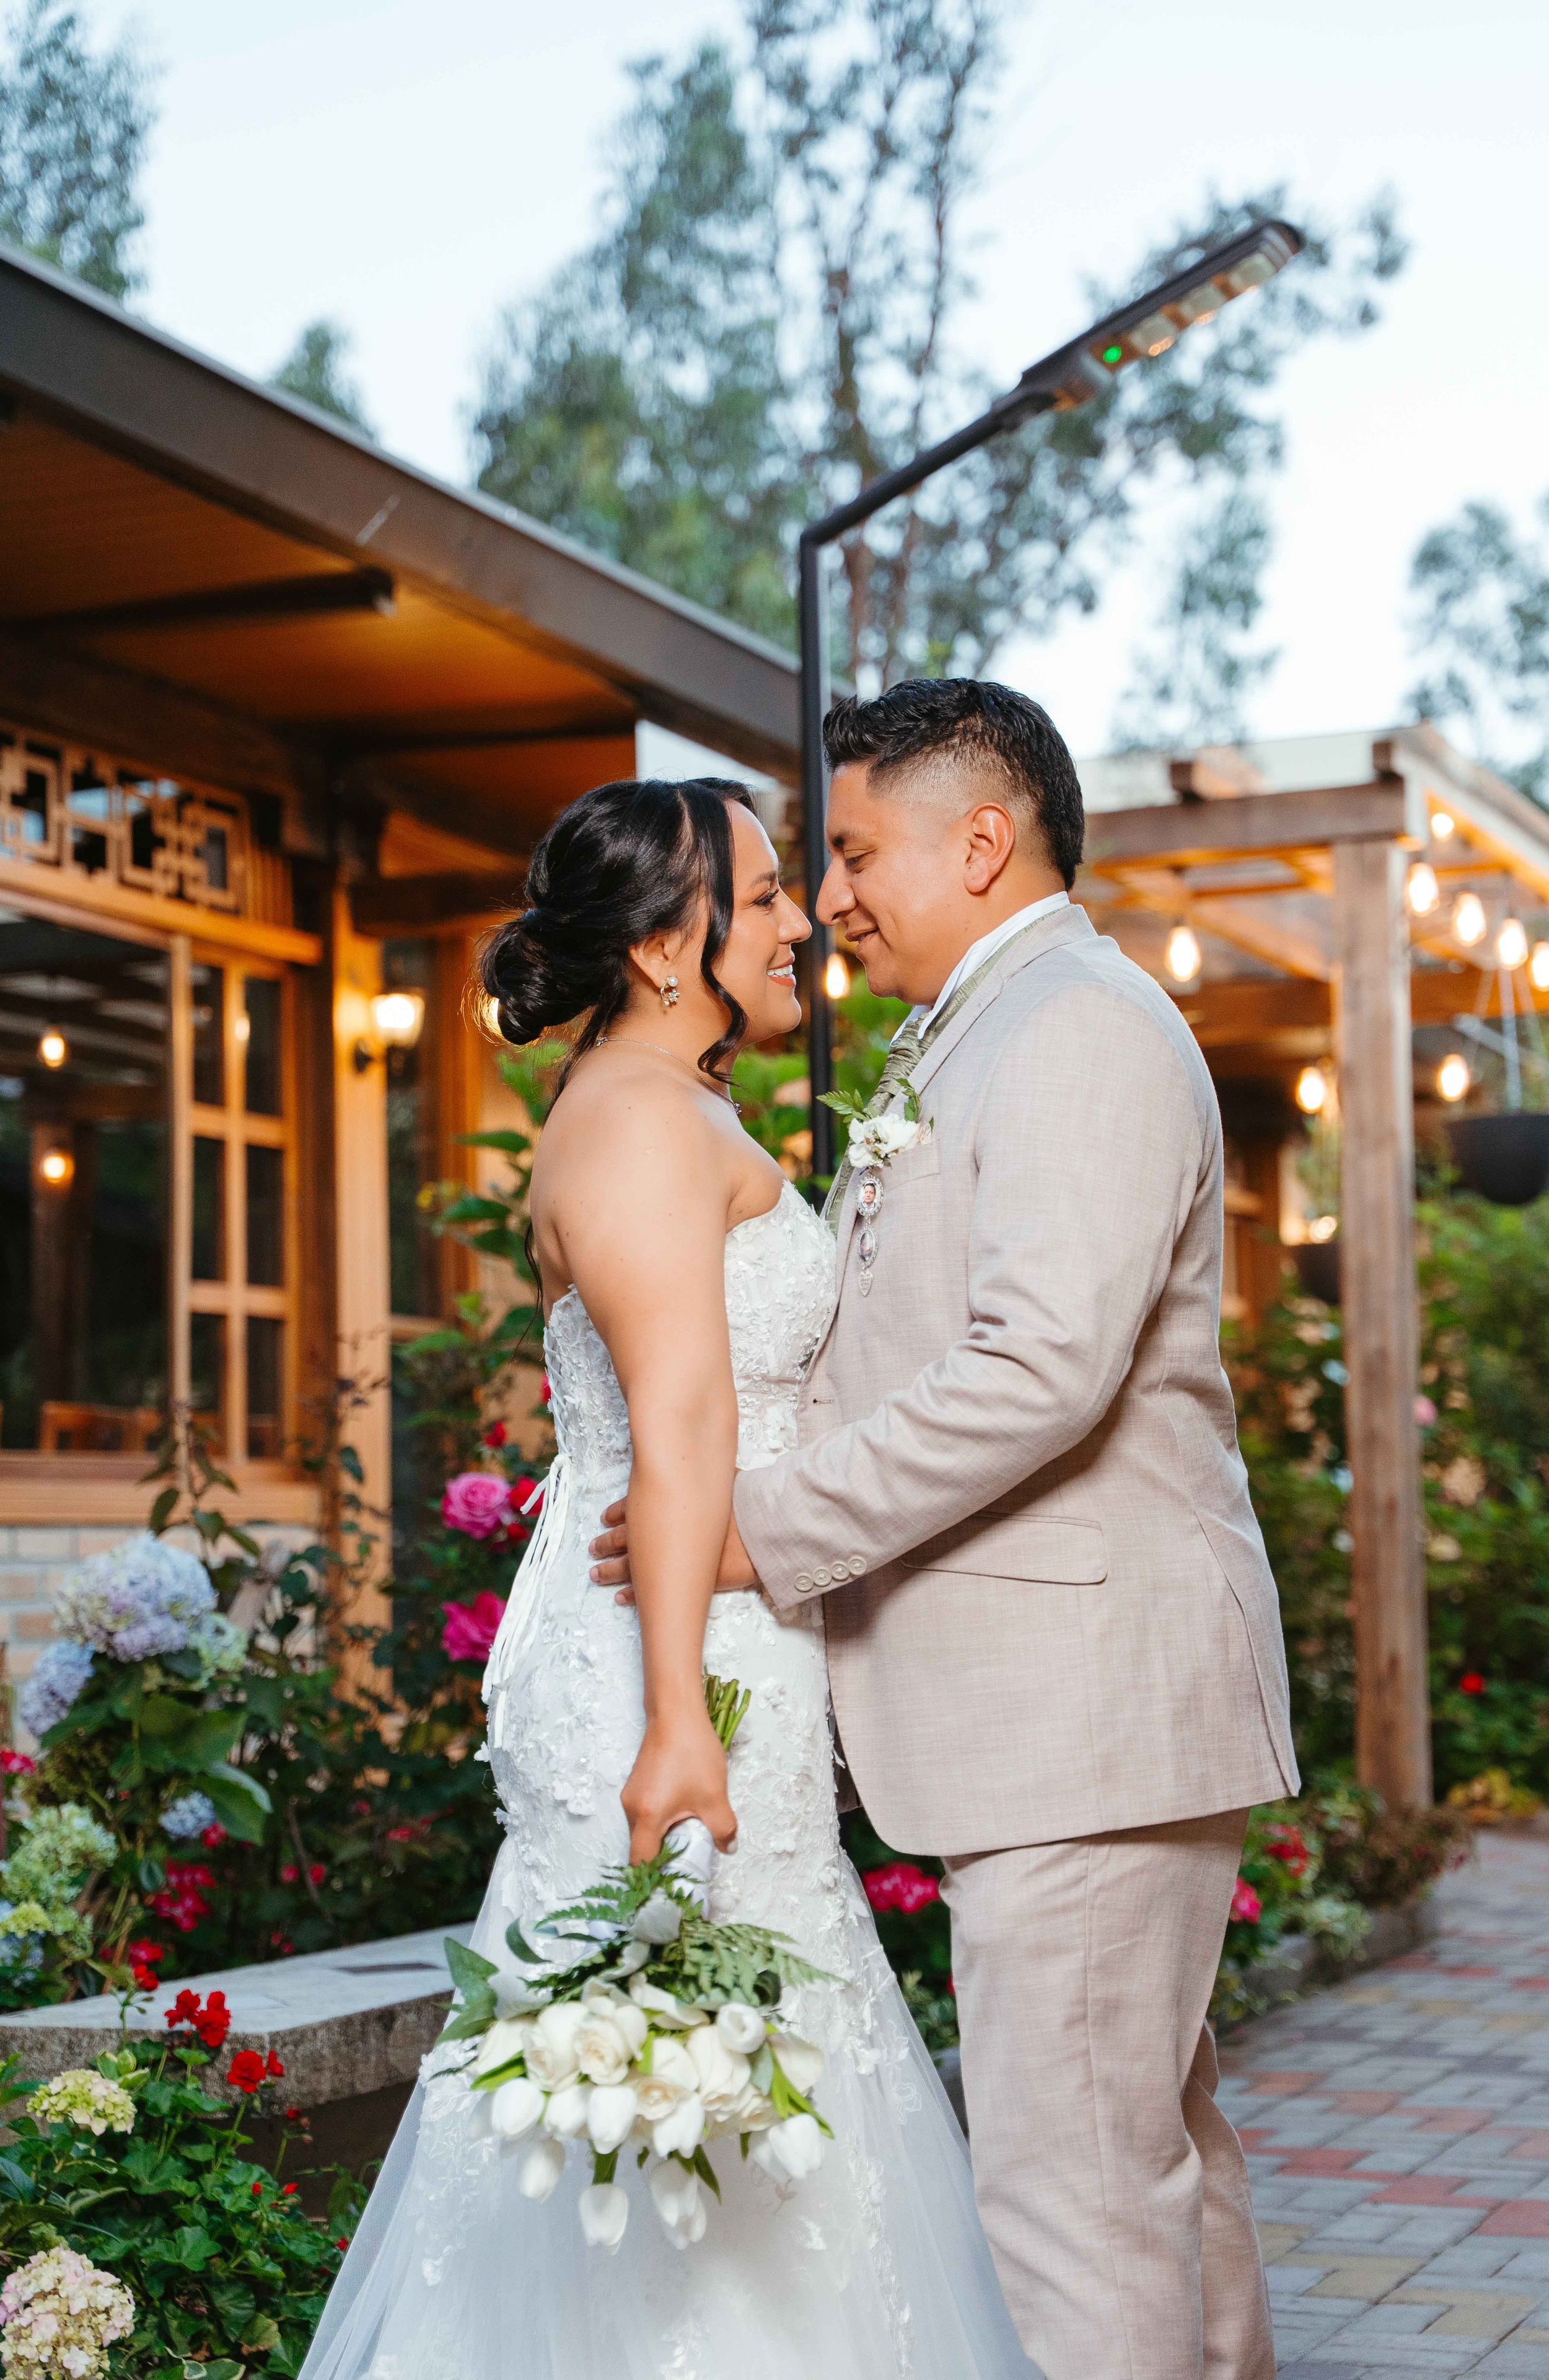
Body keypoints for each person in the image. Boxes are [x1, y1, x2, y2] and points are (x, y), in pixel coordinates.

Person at [593, 681, 1299, 2380]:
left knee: (1073, 2199)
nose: (829, 898)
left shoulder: (1076, 1027)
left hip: (1085, 1717)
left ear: (983, 842)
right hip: (1063, 1716)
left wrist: (764, 1525)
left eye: (852, 853)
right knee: (1144, 2163)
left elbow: (1041, 1368)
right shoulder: (990, 1025)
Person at [299, 774, 1037, 2380]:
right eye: (763, 897)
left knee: (747, 2066)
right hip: (669, 1653)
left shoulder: (674, 1106)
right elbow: (682, 1413)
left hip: (717, 1624)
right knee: (664, 2078)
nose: (797, 926)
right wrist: (676, 1723)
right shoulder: (637, 1122)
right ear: (658, 948)